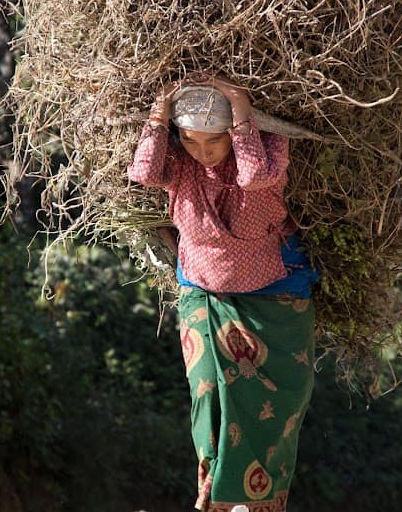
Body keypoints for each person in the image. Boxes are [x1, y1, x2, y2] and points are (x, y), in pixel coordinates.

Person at [128, 75, 319, 512]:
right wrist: (160, 113)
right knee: (209, 395)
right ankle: (212, 496)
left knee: (272, 404)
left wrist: (238, 104)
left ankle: (257, 504)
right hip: (204, 294)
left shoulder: (265, 161)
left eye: (213, 141)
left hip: (271, 299)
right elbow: (143, 172)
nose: (203, 152)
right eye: (191, 141)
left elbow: (253, 176)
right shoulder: (181, 166)